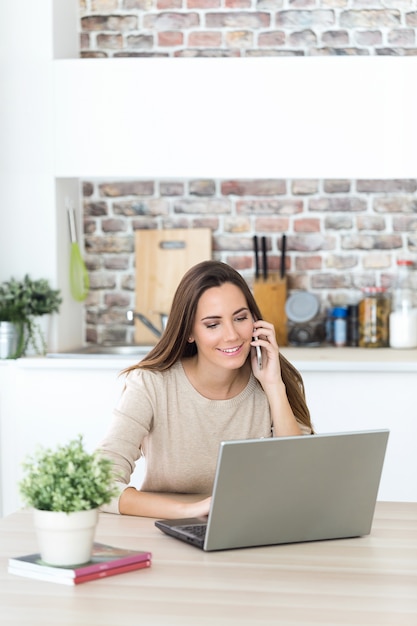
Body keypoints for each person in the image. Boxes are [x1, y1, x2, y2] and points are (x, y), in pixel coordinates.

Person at [98, 260, 313, 518]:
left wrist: (274, 386)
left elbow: (300, 481)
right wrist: (192, 510)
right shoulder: (150, 384)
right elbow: (100, 485)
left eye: (240, 318)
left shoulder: (277, 381)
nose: (232, 335)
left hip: (255, 529)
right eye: (213, 324)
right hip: (166, 529)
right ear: (189, 331)